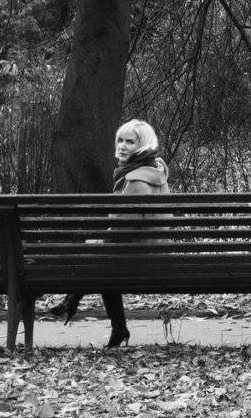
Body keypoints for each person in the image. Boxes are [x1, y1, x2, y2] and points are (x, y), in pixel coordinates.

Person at [47, 119, 170, 347]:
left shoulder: (136, 181)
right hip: (154, 250)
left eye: (130, 142)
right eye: (120, 140)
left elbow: (124, 231)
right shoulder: (154, 172)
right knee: (101, 259)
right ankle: (113, 326)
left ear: (143, 145)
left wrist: (100, 240)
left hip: (140, 257)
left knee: (98, 259)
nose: (122, 146)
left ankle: (73, 303)